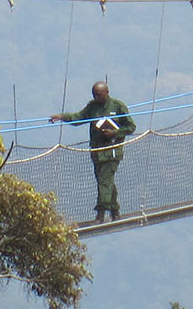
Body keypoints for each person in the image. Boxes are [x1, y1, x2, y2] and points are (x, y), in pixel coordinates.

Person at [50, 81, 135, 224]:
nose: (97, 98)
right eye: (94, 95)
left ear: (107, 92)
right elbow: (79, 118)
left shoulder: (118, 106)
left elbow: (131, 127)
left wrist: (114, 133)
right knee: (106, 182)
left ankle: (100, 214)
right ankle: (115, 212)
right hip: (97, 152)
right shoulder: (92, 107)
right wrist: (62, 117)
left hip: (112, 151)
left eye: (99, 95)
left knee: (104, 180)